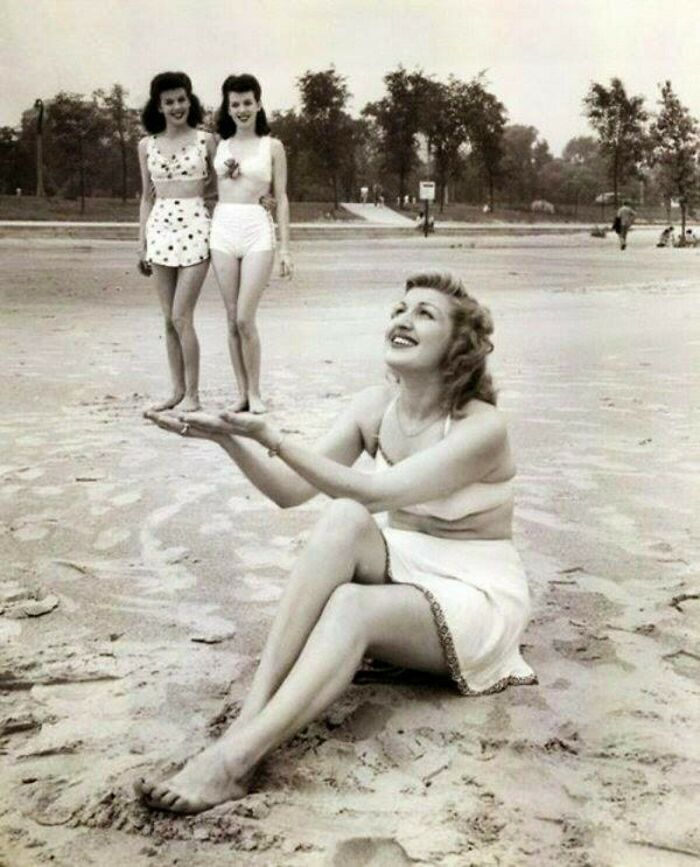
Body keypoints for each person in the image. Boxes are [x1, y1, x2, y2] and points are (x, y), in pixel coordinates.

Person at [136, 271, 537, 815]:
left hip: (476, 592)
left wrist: (276, 438)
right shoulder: (375, 407)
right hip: (409, 563)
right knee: (342, 519)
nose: (403, 320)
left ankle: (235, 762)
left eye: (425, 314)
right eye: (400, 309)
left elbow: (375, 493)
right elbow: (290, 491)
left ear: (457, 348)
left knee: (351, 600)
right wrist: (229, 440)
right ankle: (250, 715)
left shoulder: (482, 427)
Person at [209, 73, 293, 414]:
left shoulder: (272, 146)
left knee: (245, 317)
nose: (242, 109)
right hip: (222, 229)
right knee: (231, 318)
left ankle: (256, 393)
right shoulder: (219, 144)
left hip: (258, 229)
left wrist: (285, 248)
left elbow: (281, 198)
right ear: (228, 108)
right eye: (235, 104)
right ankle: (242, 393)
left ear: (258, 104)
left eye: (247, 102)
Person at [138, 71, 216, 413]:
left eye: (181, 99)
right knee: (168, 319)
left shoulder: (206, 140)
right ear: (159, 106)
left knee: (182, 315)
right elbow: (146, 197)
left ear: (190, 100)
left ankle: (193, 396)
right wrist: (141, 243)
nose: (176, 107)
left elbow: (220, 189)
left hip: (196, 228)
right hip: (159, 230)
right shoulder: (146, 145)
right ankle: (176, 391)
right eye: (169, 102)